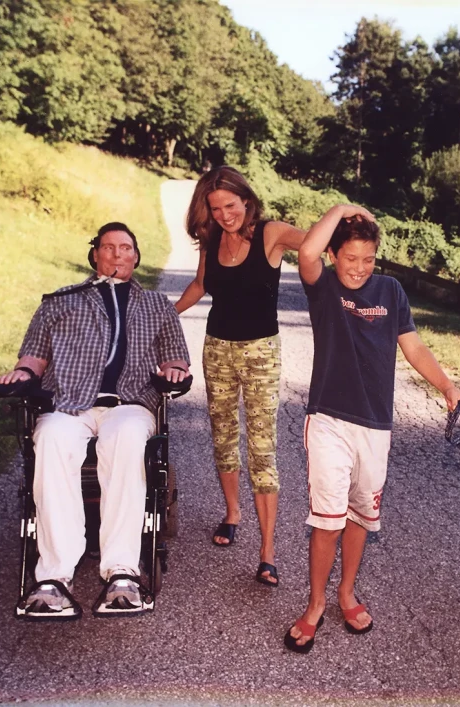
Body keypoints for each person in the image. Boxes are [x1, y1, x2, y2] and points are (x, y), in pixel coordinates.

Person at [285, 204, 460, 653]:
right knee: (327, 520)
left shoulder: (391, 291)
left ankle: (347, 592)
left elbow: (414, 346)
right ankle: (316, 605)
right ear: (334, 256)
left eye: (368, 259)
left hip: (376, 427)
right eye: (351, 258)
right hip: (328, 421)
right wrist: (343, 209)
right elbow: (306, 249)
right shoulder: (324, 286)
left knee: (360, 516)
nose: (359, 268)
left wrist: (447, 386)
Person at [0, 222, 191, 618]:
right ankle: (53, 577)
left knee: (126, 438)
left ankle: (121, 571)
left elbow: (175, 357)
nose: (117, 254)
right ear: (95, 255)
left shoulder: (158, 306)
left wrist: (174, 372)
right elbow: (33, 356)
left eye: (125, 248)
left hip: (130, 403)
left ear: (136, 256)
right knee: (49, 438)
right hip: (70, 403)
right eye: (108, 247)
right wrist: (22, 374)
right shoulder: (59, 301)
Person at [174, 166, 304, 587]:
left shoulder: (271, 233)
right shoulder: (211, 240)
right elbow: (199, 284)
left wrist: (345, 215)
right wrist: (164, 314)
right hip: (217, 349)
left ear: (246, 200)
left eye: (231, 205)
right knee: (223, 436)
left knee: (262, 449)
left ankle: (267, 552)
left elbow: (319, 245)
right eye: (215, 208)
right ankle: (233, 512)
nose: (225, 214)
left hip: (261, 352)